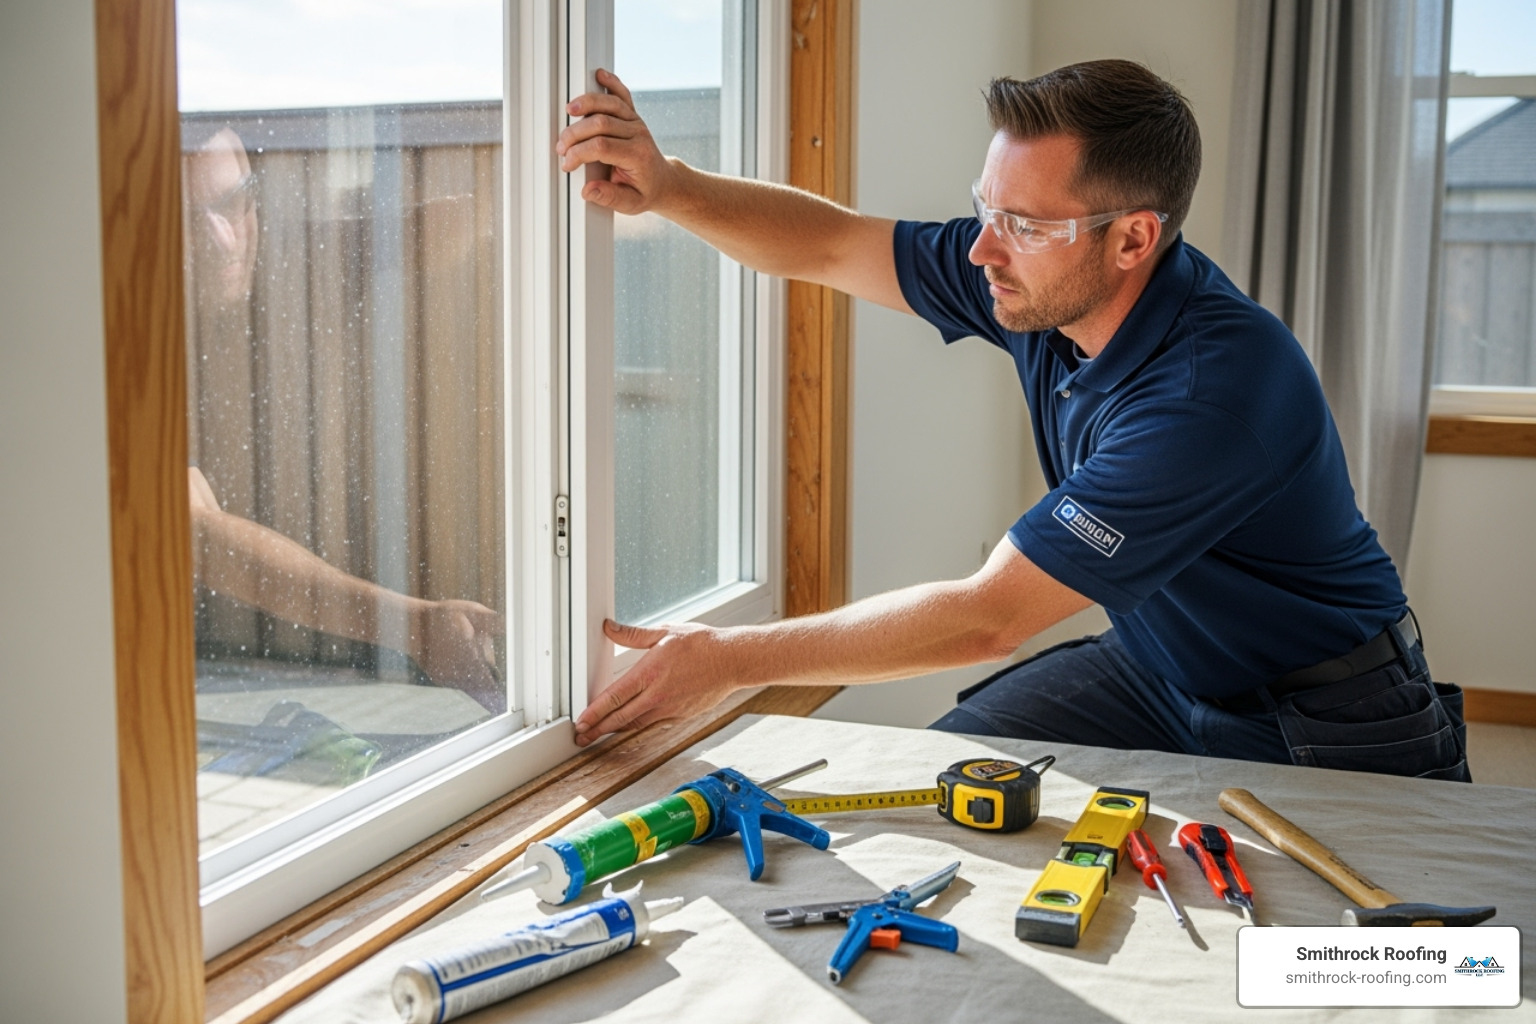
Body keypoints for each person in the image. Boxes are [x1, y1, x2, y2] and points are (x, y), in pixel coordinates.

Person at [559, 60, 1468, 782]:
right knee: (952, 775)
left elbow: (986, 617)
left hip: (1324, 715)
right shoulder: (1034, 275)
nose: (983, 247)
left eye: (1022, 223)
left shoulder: (1210, 394)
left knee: (1347, 977)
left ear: (1133, 239)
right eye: (985, 207)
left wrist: (726, 661)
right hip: (1161, 667)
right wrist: (670, 185)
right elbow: (833, 243)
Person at [183, 126, 504, 712]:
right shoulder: (105, 346)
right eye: (185, 219)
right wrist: (416, 625)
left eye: (235, 203)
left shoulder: (276, 268)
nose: (225, 239)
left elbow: (444, 226)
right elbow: (194, 530)